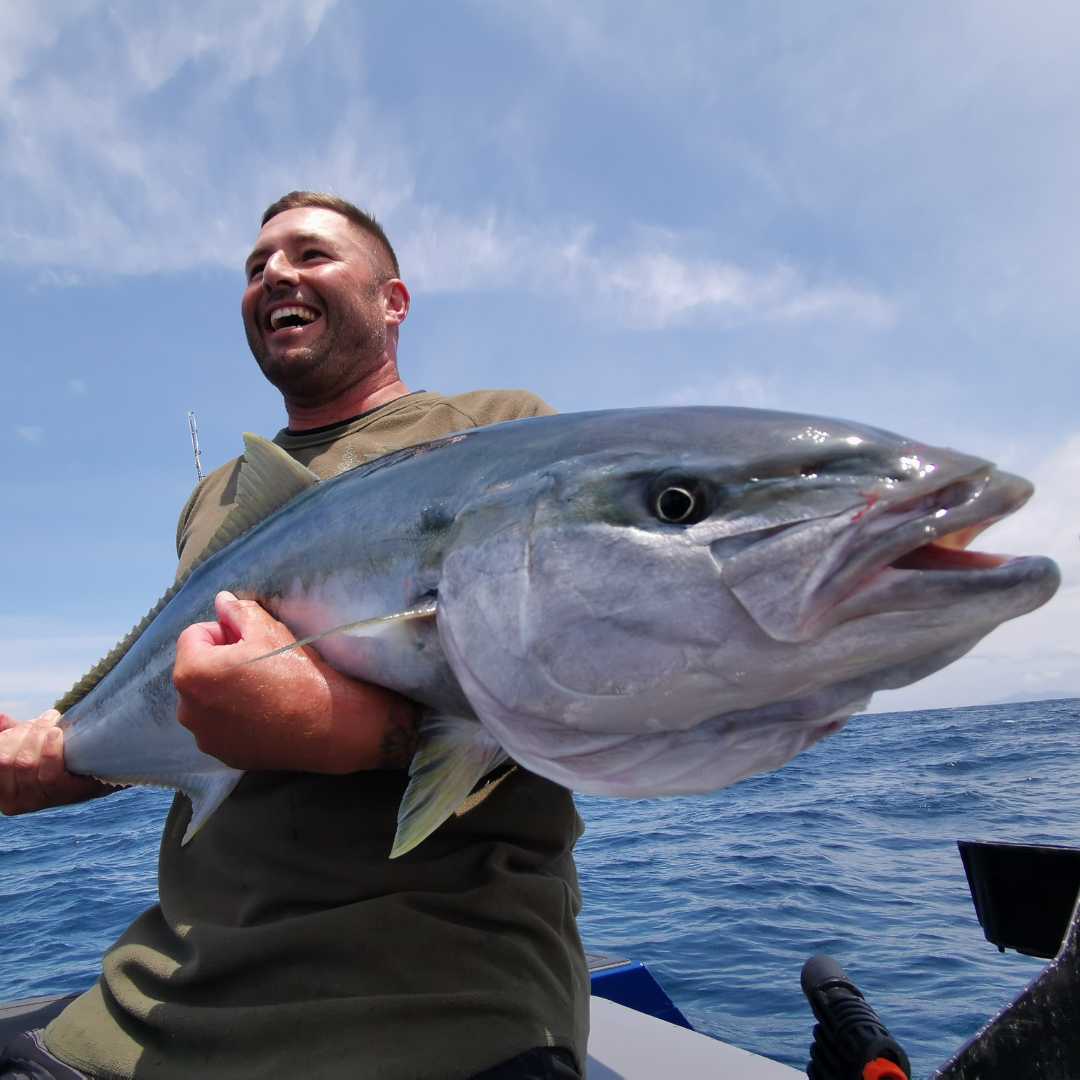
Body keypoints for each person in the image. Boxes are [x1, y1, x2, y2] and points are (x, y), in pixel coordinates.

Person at [0, 192, 589, 1079]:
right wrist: (53, 755)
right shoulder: (215, 498)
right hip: (147, 1008)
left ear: (393, 301)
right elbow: (177, 710)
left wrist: (340, 729)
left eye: (310, 255)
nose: (274, 271)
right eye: (256, 265)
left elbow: (582, 684)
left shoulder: (496, 431)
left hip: (433, 1011)